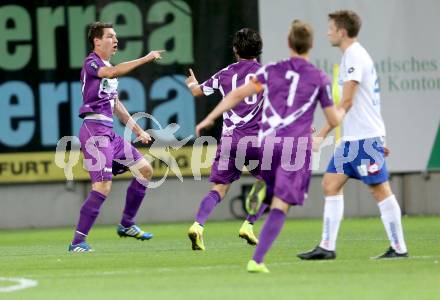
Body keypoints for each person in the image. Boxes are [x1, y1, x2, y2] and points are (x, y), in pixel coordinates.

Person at [196, 20, 343, 272]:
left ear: (288, 44)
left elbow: (238, 94)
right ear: (311, 45)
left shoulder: (272, 71)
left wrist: (211, 117)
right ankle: (256, 255)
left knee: (237, 186)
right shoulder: (319, 78)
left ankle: (257, 200)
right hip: (291, 147)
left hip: (266, 142)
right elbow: (332, 119)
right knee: (279, 203)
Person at [297, 10, 408, 260]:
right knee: (330, 184)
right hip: (353, 140)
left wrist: (323, 134)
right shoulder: (350, 55)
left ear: (342, 31)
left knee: (379, 190)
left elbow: (347, 101)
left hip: (365, 140)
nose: (328, 32)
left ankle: (399, 248)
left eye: (331, 28)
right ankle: (327, 246)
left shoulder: (355, 55)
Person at [68, 22, 164, 252]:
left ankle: (127, 224)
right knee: (102, 186)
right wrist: (145, 58)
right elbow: (111, 72)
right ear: (97, 41)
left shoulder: (108, 68)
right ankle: (77, 242)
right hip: (94, 132)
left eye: (115, 36)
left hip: (109, 133)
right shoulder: (92, 62)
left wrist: (138, 130)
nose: (115, 40)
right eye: (110, 36)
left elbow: (116, 105)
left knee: (145, 170)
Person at [185, 28, 269, 251]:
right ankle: (249, 225)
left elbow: (197, 92)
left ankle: (198, 226)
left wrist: (192, 83)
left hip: (230, 140)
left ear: (235, 50)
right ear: (259, 49)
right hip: (255, 141)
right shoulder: (265, 75)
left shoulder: (225, 73)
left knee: (219, 188)